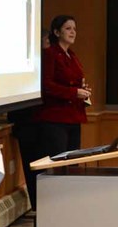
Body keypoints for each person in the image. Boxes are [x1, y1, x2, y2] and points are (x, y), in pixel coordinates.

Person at [34, 15, 90, 159]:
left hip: (74, 115)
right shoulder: (50, 54)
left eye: (74, 29)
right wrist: (74, 92)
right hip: (56, 118)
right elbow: (47, 85)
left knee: (73, 162)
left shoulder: (72, 55)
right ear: (57, 32)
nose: (73, 32)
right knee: (59, 162)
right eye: (68, 28)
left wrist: (84, 91)